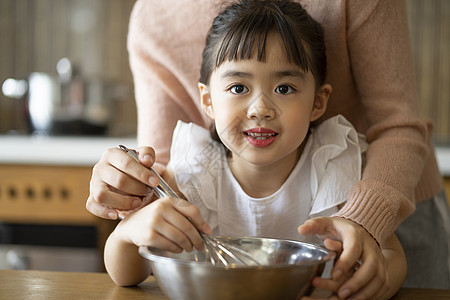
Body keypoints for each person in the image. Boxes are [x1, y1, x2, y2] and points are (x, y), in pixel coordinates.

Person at [87, 0, 450, 293]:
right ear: (207, 101)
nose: (260, 108)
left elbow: (388, 254)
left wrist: (375, 277)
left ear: (319, 102)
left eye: (284, 88)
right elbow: (128, 270)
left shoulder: (335, 166)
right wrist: (130, 228)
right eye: (238, 88)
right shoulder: (193, 175)